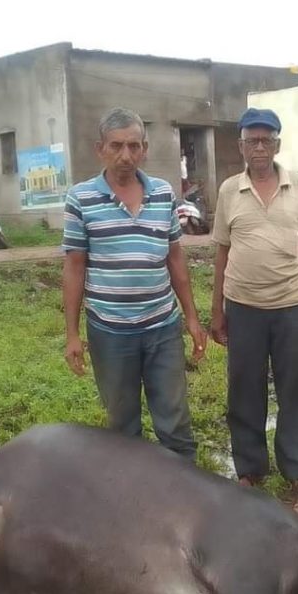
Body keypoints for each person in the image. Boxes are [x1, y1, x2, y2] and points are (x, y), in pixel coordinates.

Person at [62, 108, 206, 460]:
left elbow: (174, 258)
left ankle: (184, 495)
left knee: (175, 422)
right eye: (116, 146)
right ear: (101, 149)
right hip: (110, 332)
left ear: (144, 148)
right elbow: (74, 267)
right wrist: (71, 333)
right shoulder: (80, 199)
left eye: (133, 146)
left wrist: (191, 318)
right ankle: (133, 500)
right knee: (123, 427)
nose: (125, 155)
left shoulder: (162, 193)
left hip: (162, 325)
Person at [210, 108, 298, 498]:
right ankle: (250, 469)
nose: (259, 147)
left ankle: (296, 469)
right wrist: (216, 312)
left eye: (266, 140)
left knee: (295, 389)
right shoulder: (229, 190)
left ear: (277, 143)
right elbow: (222, 252)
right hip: (242, 306)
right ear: (240, 145)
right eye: (251, 140)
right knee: (244, 389)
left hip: (291, 303)